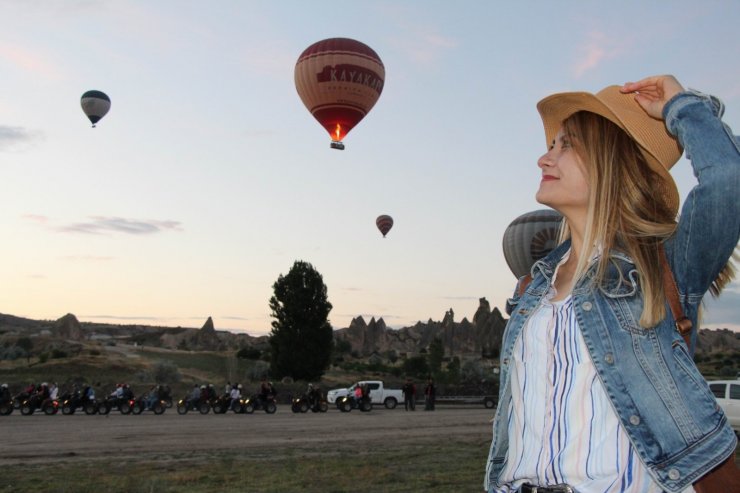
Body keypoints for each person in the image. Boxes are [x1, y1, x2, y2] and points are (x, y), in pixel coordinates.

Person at [484, 76, 739, 493]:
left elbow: (729, 178)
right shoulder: (533, 287)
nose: (544, 159)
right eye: (551, 146)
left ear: (610, 161)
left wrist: (681, 105)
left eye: (566, 145)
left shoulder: (664, 268)